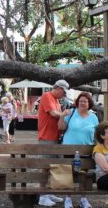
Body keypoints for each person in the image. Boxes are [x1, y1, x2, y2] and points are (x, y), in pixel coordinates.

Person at [58, 92, 99, 208]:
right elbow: (61, 127)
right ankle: (68, 198)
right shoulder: (70, 113)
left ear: (89, 103)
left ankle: (83, 198)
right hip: (69, 148)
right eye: (80, 101)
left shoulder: (94, 117)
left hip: (86, 149)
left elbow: (97, 134)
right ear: (77, 102)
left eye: (85, 101)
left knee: (84, 175)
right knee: (68, 174)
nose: (82, 103)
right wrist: (61, 116)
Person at [37, 79, 70, 207]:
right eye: (64, 92)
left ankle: (48, 192)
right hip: (47, 137)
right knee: (45, 166)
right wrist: (64, 114)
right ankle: (42, 195)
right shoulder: (47, 96)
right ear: (59, 88)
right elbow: (54, 113)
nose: (64, 95)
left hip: (54, 137)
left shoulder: (56, 100)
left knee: (52, 166)